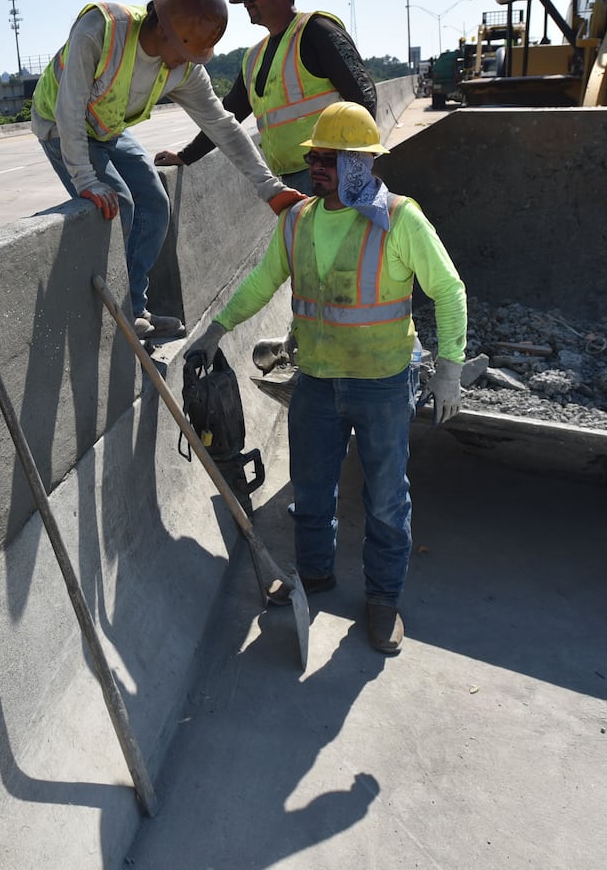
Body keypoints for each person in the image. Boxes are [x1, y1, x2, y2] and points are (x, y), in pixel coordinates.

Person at [183, 103, 468, 656]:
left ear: (361, 163)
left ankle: (384, 600)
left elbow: (449, 289)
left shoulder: (401, 219)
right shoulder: (297, 221)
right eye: (315, 156)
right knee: (312, 494)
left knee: (387, 500)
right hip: (316, 383)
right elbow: (263, 284)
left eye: (330, 158)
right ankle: (313, 575)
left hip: (382, 384)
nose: (316, 166)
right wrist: (216, 330)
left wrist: (450, 368)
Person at [33, 0, 303, 338]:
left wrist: (269, 188)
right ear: (161, 27)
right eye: (185, 51)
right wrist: (85, 178)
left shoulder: (184, 68)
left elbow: (222, 125)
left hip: (108, 128)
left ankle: (135, 307)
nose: (187, 64)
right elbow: (69, 106)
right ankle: (120, 316)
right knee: (120, 204)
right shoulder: (101, 29)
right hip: (60, 124)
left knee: (155, 206)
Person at [157, 0, 377, 197]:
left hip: (332, 175)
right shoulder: (254, 57)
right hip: (289, 180)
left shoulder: (317, 31)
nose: (247, 4)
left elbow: (362, 93)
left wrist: (357, 163)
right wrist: (186, 156)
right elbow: (227, 115)